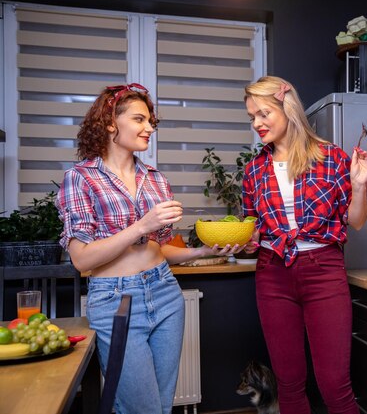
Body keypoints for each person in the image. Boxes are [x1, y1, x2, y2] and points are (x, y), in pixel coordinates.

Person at [55, 83, 241, 413]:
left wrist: (201, 253)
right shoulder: (81, 178)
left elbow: (158, 249)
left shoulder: (155, 179)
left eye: (151, 121)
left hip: (166, 292)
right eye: (140, 120)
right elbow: (81, 258)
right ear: (111, 121)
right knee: (142, 408)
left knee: (161, 406)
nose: (149, 128)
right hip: (116, 301)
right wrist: (142, 225)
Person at [241, 76, 367, 414]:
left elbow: (356, 221)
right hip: (272, 274)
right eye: (252, 116)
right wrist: (243, 243)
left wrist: (358, 186)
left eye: (264, 113)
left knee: (335, 386)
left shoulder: (331, 158)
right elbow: (252, 232)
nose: (257, 123)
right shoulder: (253, 171)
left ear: (287, 108)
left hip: (324, 273)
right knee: (289, 384)